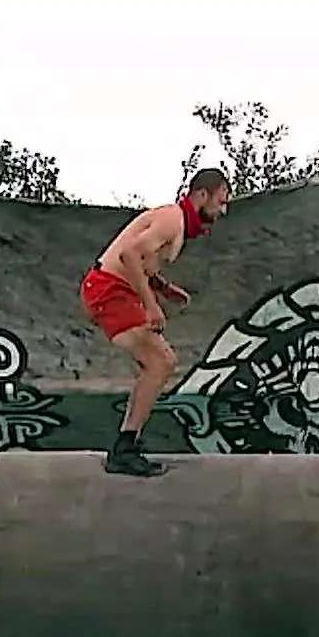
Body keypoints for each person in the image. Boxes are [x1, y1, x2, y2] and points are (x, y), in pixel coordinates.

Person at [80, 168, 231, 476]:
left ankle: (128, 442)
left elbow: (143, 261)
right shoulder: (172, 218)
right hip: (108, 289)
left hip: (112, 288)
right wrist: (151, 305)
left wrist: (164, 287)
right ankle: (124, 448)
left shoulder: (177, 223)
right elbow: (129, 255)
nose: (223, 210)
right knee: (161, 361)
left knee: (158, 363)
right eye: (221, 201)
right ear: (202, 195)